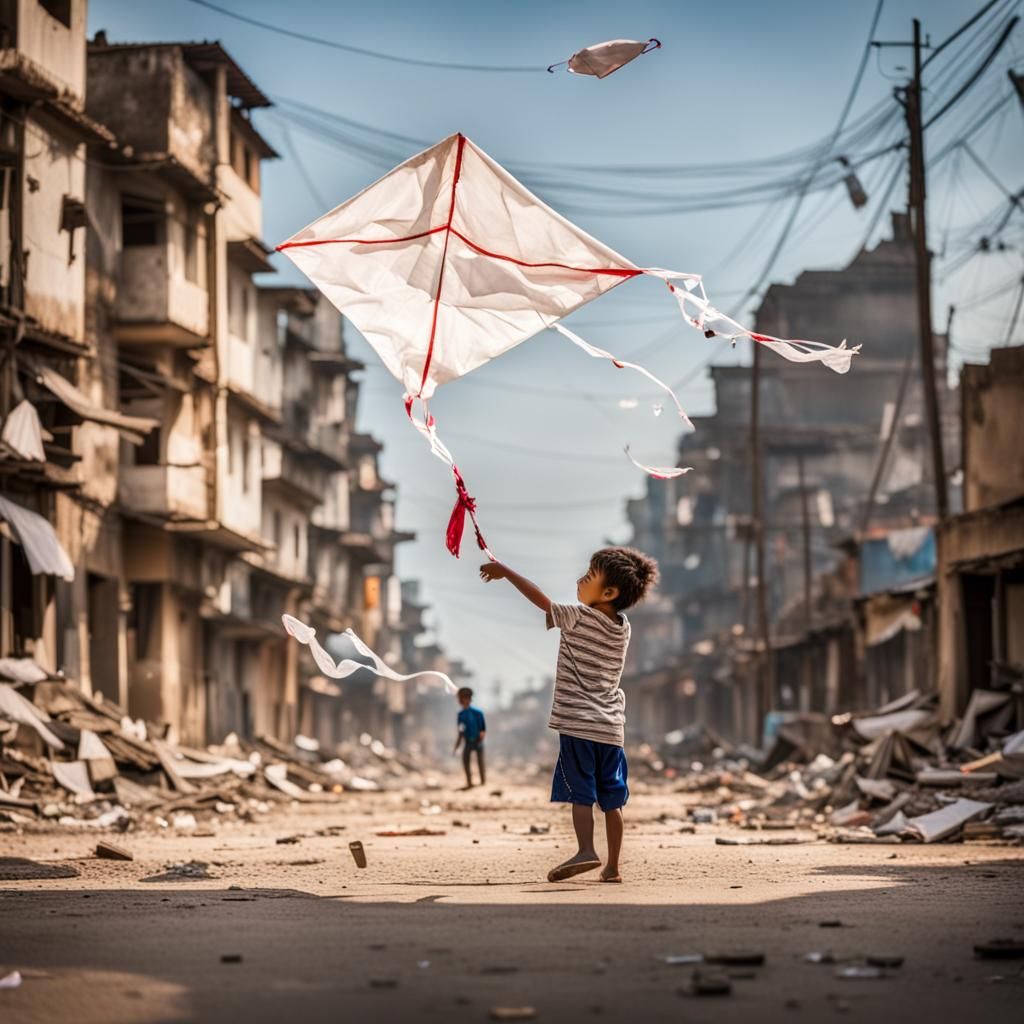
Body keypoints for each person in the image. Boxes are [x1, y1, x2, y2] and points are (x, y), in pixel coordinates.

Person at [479, 546, 658, 883]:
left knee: (581, 794)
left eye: (589, 577)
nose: (580, 580)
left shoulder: (578, 617)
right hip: (611, 729)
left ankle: (586, 849)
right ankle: (613, 867)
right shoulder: (623, 628)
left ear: (609, 592)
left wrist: (505, 571)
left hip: (579, 726)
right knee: (612, 800)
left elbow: (541, 601)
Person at [454, 686, 487, 789]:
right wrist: (457, 745)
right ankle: (469, 782)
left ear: (467, 698)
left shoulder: (478, 713)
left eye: (461, 698)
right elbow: (461, 731)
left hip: (478, 741)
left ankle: (482, 782)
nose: (459, 700)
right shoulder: (461, 715)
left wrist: (480, 740)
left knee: (480, 761)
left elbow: (482, 729)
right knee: (466, 761)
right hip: (468, 741)